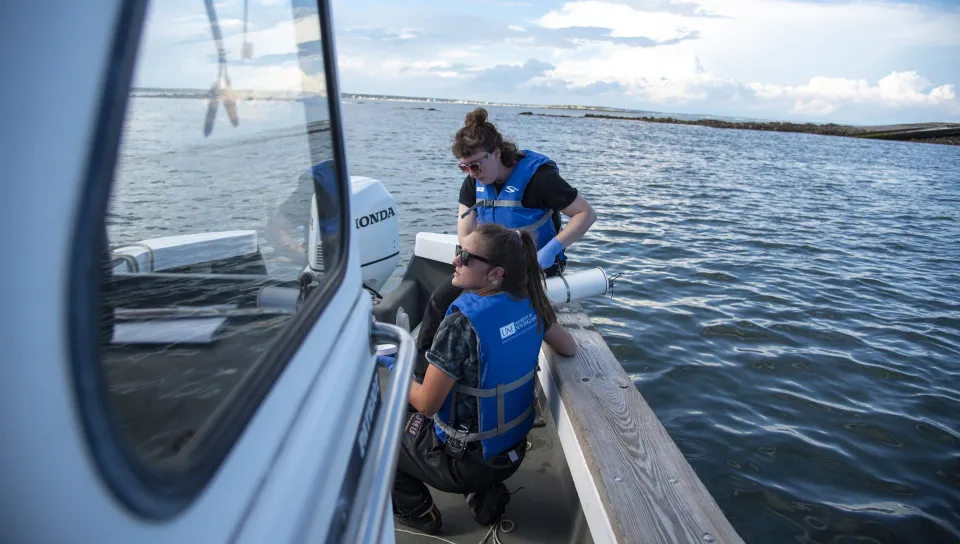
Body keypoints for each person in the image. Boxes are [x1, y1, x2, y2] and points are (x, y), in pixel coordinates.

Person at [389, 223, 577, 534]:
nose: (455, 260)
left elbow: (426, 405)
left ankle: (420, 514)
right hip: (511, 451)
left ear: (495, 274)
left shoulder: (460, 325)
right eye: (458, 251)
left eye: (465, 256)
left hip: (463, 462)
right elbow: (568, 347)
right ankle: (483, 495)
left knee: (378, 432)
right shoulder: (531, 302)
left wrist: (397, 367)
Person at [414, 107, 597, 380]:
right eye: (464, 167)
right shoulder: (472, 183)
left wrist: (549, 252)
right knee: (440, 302)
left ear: (497, 153)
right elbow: (465, 232)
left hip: (533, 267)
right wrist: (474, 264)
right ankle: (421, 376)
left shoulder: (540, 179)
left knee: (492, 310)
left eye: (476, 164)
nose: (471, 173)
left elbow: (586, 213)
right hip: (489, 266)